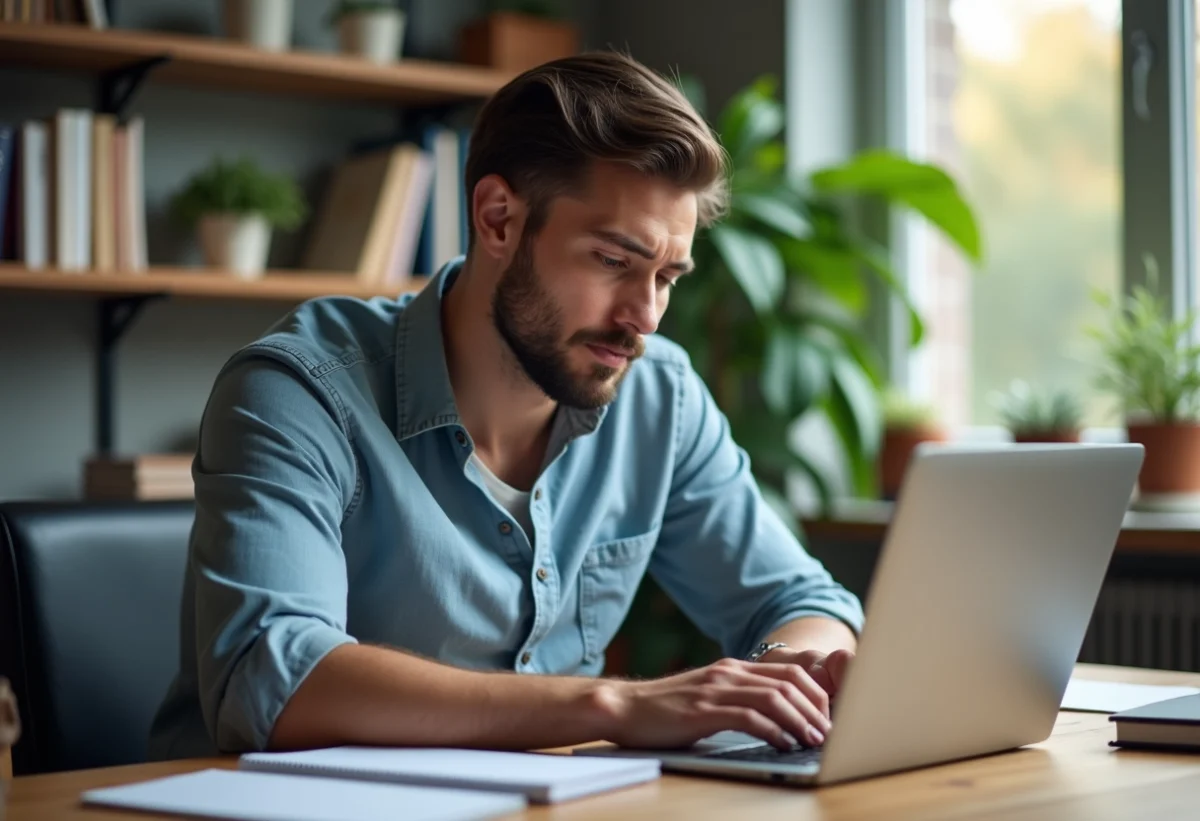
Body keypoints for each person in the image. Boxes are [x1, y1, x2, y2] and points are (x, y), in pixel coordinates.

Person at [148, 50, 864, 762]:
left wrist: (785, 670)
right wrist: (615, 704)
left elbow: (804, 601)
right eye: (614, 261)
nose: (644, 315)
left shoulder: (660, 399)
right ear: (497, 219)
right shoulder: (298, 391)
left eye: (667, 275)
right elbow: (272, 675)